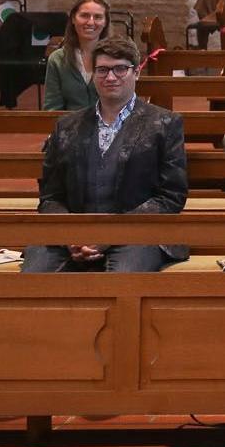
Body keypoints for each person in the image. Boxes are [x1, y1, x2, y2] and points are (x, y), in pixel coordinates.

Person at [23, 34, 187, 274]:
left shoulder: (164, 123)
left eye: (120, 69)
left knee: (122, 282)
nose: (110, 77)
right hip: (72, 234)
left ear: (137, 72)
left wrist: (111, 234)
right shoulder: (67, 126)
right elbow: (50, 196)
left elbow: (171, 196)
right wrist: (71, 236)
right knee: (32, 280)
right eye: (102, 70)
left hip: (139, 233)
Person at [42, 0, 110, 112]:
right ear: (73, 18)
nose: (90, 22)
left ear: (105, 22)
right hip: (69, 128)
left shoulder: (116, 58)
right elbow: (52, 109)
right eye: (84, 15)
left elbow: (124, 106)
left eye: (98, 17)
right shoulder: (57, 59)